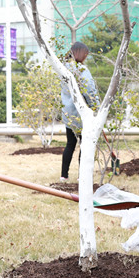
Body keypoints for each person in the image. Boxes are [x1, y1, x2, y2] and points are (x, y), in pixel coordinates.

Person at [60, 42, 100, 181]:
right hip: (82, 113)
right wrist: (96, 108)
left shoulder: (63, 69)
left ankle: (64, 176)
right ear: (81, 53)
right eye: (85, 55)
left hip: (68, 113)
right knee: (84, 143)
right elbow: (90, 91)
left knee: (70, 143)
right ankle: (81, 177)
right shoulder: (81, 70)